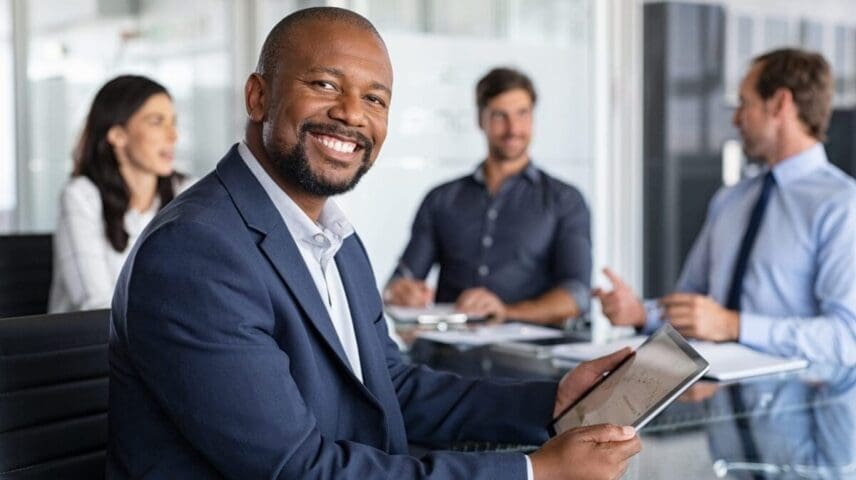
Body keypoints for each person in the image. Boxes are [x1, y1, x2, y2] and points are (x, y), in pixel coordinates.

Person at [108, 7, 640, 479]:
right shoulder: (197, 251)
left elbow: (391, 387)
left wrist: (553, 401)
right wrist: (533, 473)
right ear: (258, 95)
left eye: (374, 98)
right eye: (323, 85)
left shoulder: (333, 236)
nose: (352, 113)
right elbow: (296, 469)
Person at [594, 48, 856, 365]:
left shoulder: (841, 204)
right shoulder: (731, 200)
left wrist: (733, 326)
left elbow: (846, 338)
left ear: (780, 104)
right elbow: (697, 306)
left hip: (798, 404)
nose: (734, 119)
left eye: (744, 103)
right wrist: (640, 313)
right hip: (714, 397)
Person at [384, 67, 591, 326]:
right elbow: (400, 279)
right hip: (447, 354)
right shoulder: (440, 199)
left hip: (531, 356)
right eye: (499, 115)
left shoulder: (565, 200)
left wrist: (506, 311)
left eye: (522, 114)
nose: (513, 128)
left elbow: (577, 295)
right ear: (480, 120)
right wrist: (399, 292)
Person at [48, 75, 192, 313]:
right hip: (90, 345)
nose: (173, 135)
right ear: (117, 135)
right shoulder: (81, 197)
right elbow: (94, 306)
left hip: (165, 342)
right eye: (157, 122)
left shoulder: (188, 192)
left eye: (173, 122)